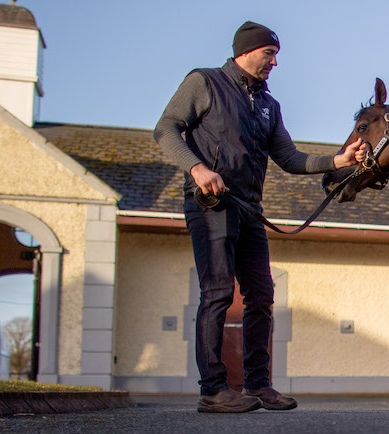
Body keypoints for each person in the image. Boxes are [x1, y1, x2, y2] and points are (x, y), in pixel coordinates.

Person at [154, 21, 367, 413]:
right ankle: (213, 390)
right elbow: (166, 128)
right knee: (217, 292)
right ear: (246, 50)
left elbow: (288, 157)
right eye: (269, 53)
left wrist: (337, 161)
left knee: (262, 296)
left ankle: (258, 384)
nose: (274, 62)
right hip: (211, 203)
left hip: (250, 209)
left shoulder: (269, 104)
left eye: (276, 55)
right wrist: (197, 169)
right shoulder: (205, 82)